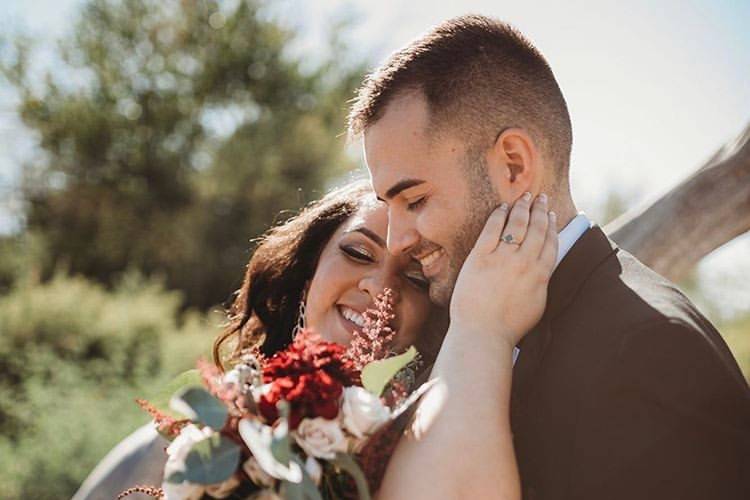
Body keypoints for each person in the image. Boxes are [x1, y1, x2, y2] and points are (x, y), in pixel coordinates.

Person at [350, 14, 750, 500]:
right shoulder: (459, 327)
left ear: (513, 165)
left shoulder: (649, 352)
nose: (396, 242)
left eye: (414, 201)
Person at [73, 179, 556, 499]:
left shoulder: (424, 451)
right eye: (357, 253)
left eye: (413, 278)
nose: (379, 288)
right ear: (307, 274)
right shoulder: (177, 450)